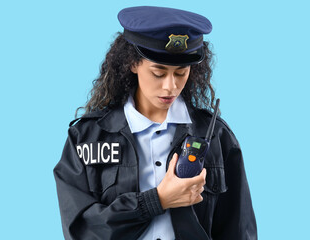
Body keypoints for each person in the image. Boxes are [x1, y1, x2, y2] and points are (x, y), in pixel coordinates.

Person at [54, 6, 257, 240]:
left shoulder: (217, 136)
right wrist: (157, 200)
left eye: (181, 73)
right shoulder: (86, 137)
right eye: (158, 73)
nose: (170, 86)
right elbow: (81, 230)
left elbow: (240, 230)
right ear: (132, 64)